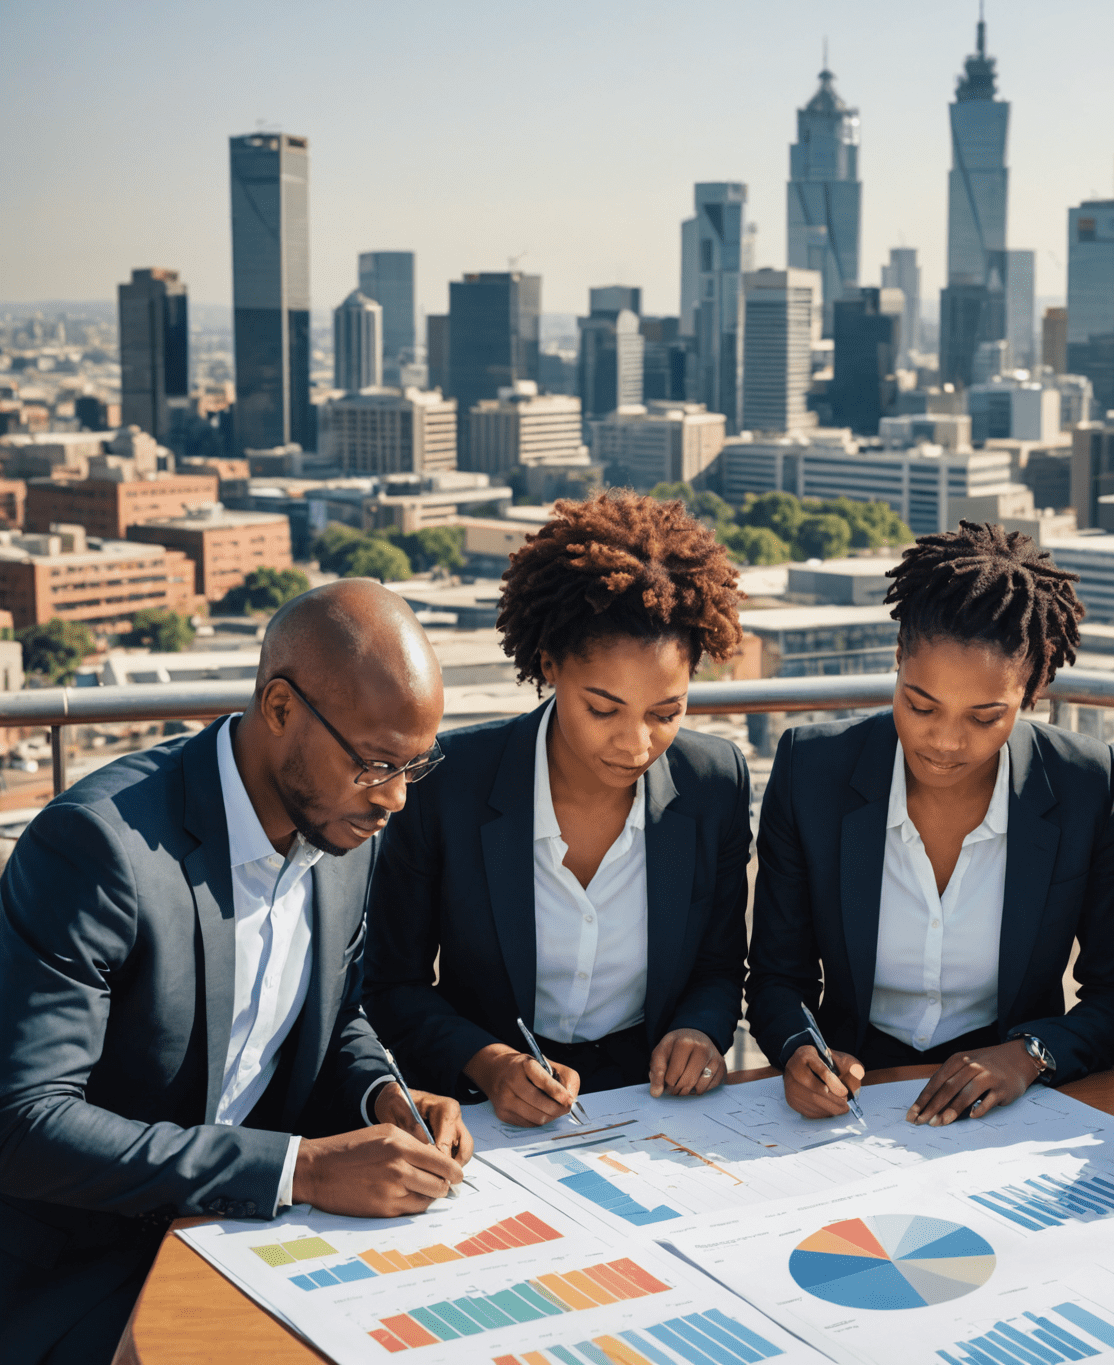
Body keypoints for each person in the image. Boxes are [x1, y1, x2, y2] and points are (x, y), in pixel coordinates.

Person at [0, 581, 473, 1365]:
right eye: (374, 763)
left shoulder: (347, 825)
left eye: (413, 767)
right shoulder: (97, 851)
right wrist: (302, 1169)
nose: (393, 798)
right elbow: (25, 1123)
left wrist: (380, 1092)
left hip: (246, 1236)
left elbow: (332, 1016)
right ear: (280, 708)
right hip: (80, 1270)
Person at [365, 490, 751, 1127]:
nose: (636, 745)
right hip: (484, 1108)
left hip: (654, 1108)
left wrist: (699, 1032)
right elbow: (390, 985)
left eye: (667, 713)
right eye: (603, 709)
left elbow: (717, 965)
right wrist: (487, 1062)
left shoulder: (715, 782)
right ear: (549, 666)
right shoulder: (448, 783)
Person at [747, 522, 1114, 1125]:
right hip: (853, 1096)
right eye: (920, 705)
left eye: (985, 718)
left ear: (1032, 690)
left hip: (1016, 1099)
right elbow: (778, 976)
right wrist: (799, 1049)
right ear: (898, 659)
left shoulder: (1088, 785)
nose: (946, 742)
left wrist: (1031, 1056)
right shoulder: (811, 773)